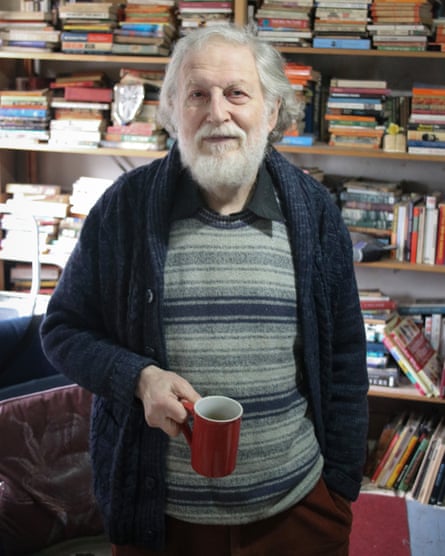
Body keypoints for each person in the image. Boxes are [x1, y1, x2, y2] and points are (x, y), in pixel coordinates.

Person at [41, 24, 369, 556]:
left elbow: (346, 360)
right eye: (198, 94)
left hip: (298, 512)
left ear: (271, 110)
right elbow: (61, 330)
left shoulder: (314, 214)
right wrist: (138, 378)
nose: (217, 112)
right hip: (162, 522)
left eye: (237, 92)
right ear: (172, 112)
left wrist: (340, 491)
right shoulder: (123, 210)